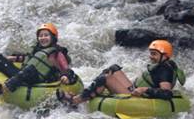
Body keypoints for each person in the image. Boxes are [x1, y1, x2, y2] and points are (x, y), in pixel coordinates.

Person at [0, 23, 75, 94]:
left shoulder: (58, 53)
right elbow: (27, 59)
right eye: (40, 36)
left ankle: (3, 88)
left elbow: (66, 68)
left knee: (29, 69)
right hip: (22, 75)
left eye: (46, 35)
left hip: (36, 80)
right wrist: (11, 59)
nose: (43, 38)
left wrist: (65, 76)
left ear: (53, 37)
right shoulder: (38, 50)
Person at [57, 40, 185, 104]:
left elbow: (167, 93)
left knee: (105, 78)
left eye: (154, 54)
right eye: (151, 53)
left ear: (165, 56)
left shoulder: (165, 71)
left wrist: (144, 90)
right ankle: (92, 90)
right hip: (135, 90)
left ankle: (75, 100)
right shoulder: (163, 64)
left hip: (140, 97)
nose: (151, 57)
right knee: (113, 68)